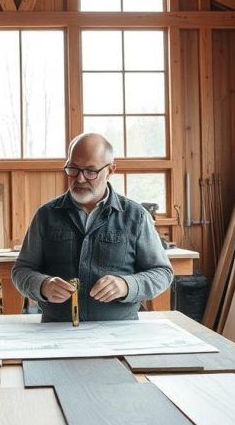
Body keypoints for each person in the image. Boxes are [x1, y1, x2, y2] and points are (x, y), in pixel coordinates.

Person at [12, 133, 173, 322]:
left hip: (119, 334)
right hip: (56, 333)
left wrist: (127, 285)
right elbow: (21, 270)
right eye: (73, 168)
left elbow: (162, 273)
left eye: (90, 171)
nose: (79, 179)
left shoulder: (135, 217)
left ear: (110, 170)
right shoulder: (46, 216)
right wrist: (42, 285)